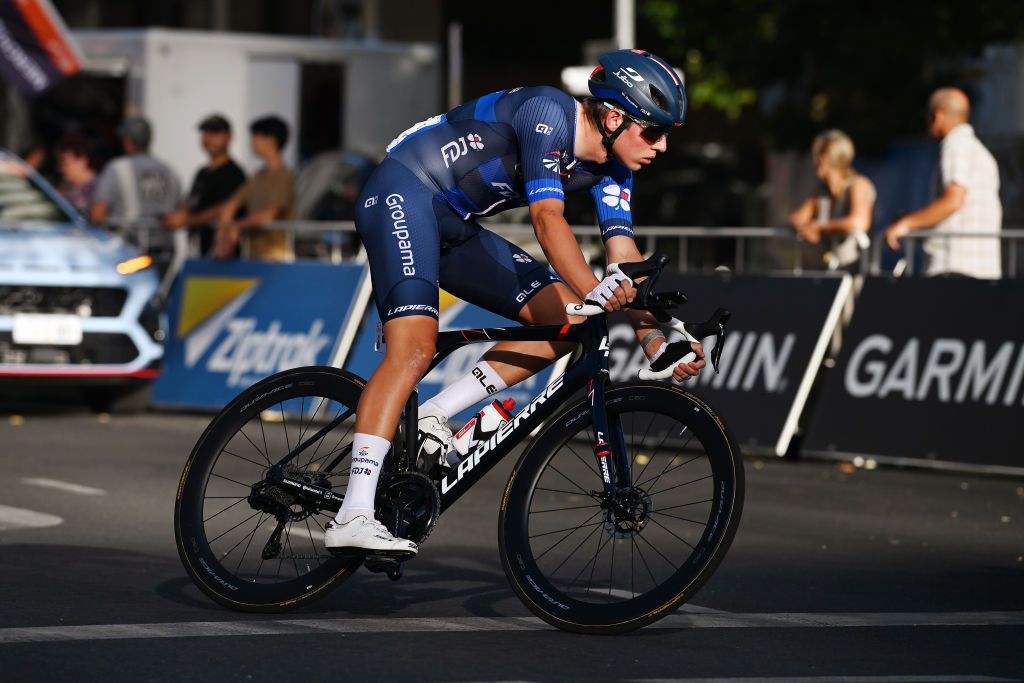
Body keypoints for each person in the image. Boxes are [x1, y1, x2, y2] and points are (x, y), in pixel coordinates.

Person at [324, 49, 707, 557]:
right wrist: (595, 290)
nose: (662, 146)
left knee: (566, 322)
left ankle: (437, 415)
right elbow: (547, 219)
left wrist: (655, 335)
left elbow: (624, 257)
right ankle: (352, 512)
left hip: (453, 224)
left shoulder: (616, 167)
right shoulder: (549, 114)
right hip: (403, 193)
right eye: (654, 132)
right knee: (413, 351)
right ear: (614, 117)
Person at [885, 88, 1002, 279]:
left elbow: (954, 200)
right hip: (984, 269)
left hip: (955, 265)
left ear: (937, 116)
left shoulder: (955, 145)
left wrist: (906, 224)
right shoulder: (982, 152)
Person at [89, 115, 182, 262]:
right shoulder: (169, 171)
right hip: (164, 251)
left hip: (128, 251)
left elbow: (97, 214)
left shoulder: (117, 168)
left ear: (128, 141)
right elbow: (180, 216)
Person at [789, 129, 876, 272]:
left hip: (854, 271)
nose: (815, 161)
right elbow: (796, 218)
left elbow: (859, 222)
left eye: (819, 155)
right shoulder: (822, 192)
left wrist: (821, 227)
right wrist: (805, 229)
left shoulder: (858, 184)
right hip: (827, 271)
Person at [212, 116, 295, 261]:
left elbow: (270, 214)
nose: (252, 142)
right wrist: (222, 239)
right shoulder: (257, 176)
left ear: (271, 140)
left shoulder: (283, 176)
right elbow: (231, 205)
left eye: (256, 137)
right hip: (252, 258)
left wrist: (237, 226)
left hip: (276, 258)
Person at [162, 114, 246, 255]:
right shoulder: (202, 172)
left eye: (214, 133)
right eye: (205, 133)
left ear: (228, 137)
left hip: (224, 251)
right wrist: (176, 216)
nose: (208, 138)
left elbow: (226, 207)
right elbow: (191, 201)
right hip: (200, 248)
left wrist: (190, 220)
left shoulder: (234, 173)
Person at [55, 134, 97, 216]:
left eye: (64, 163)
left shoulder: (99, 188)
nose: (60, 169)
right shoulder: (65, 186)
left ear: (82, 160)